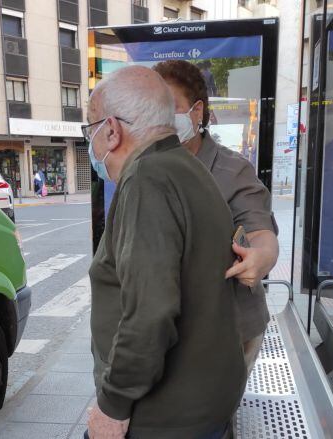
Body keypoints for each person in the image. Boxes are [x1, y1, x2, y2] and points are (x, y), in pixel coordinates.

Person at [84, 65, 246, 439]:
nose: (90, 140)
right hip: (204, 402)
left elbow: (150, 314)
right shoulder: (188, 167)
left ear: (111, 130)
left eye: (89, 128)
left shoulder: (147, 179)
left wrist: (112, 405)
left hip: (165, 418)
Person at [154, 60, 279, 375]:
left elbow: (260, 231)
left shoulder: (232, 170)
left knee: (215, 417)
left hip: (228, 328)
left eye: (169, 106)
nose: (157, 118)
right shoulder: (148, 166)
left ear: (197, 113)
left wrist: (259, 258)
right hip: (167, 325)